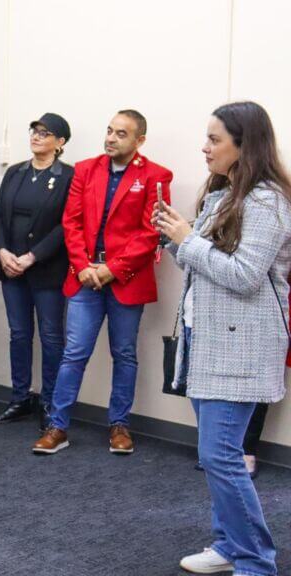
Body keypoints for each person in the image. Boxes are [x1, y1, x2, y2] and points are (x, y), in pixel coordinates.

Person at [156, 101, 290, 576]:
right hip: (206, 339)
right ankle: (229, 545)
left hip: (242, 347)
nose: (205, 147)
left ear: (244, 144)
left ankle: (255, 560)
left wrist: (189, 239)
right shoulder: (221, 195)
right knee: (219, 458)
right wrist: (173, 241)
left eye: (215, 139)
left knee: (220, 456)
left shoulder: (268, 201)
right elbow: (205, 266)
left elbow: (246, 275)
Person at [34, 109, 172, 455]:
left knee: (124, 354)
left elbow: (150, 232)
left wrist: (112, 268)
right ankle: (57, 426)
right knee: (74, 353)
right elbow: (72, 222)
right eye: (109, 130)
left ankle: (119, 425)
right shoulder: (85, 169)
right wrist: (83, 266)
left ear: (139, 140)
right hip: (85, 278)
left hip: (126, 280)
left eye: (121, 134)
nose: (111, 138)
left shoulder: (156, 176)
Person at [0, 113, 74, 430]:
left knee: (51, 338)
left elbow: (67, 226)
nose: (36, 136)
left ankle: (50, 402)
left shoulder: (68, 177)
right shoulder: (15, 172)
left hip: (46, 270)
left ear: (60, 142)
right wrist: (2, 251)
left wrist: (32, 257)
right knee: (19, 335)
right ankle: (20, 398)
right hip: (11, 268)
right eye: (34, 131)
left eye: (45, 133)